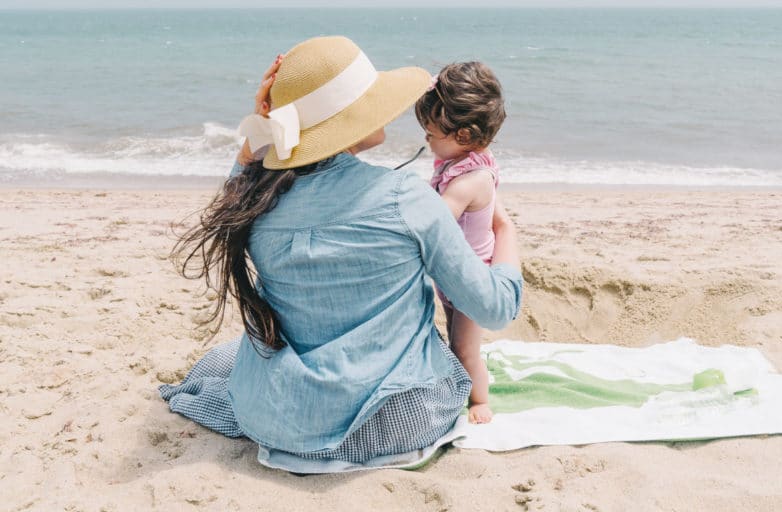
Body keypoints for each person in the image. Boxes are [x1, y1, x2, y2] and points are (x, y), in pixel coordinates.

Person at [159, 36, 522, 474]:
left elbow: (231, 198)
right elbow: (495, 308)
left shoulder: (254, 202)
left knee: (224, 361)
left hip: (279, 415)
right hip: (392, 422)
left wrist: (255, 139)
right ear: (346, 121)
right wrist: (506, 230)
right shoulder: (404, 199)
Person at [414, 62, 506, 424]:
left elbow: (435, 220)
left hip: (470, 281)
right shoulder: (465, 162)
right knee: (456, 335)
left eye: (432, 133)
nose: (426, 140)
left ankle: (480, 400)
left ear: (465, 136)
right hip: (455, 278)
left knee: (465, 347)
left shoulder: (469, 182)